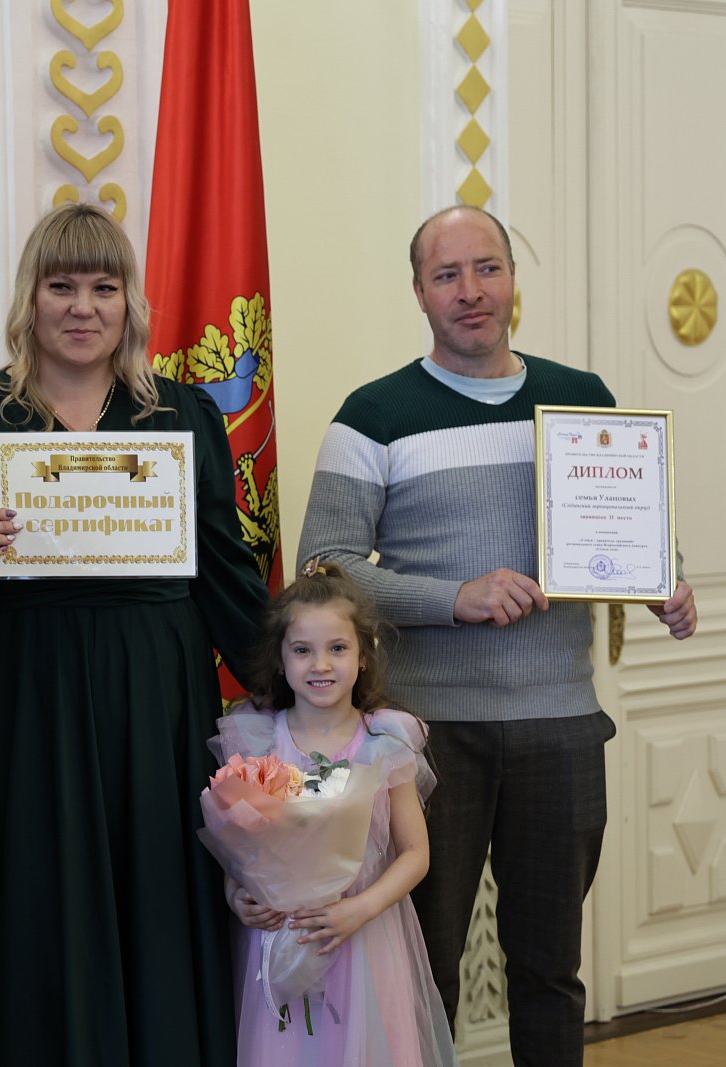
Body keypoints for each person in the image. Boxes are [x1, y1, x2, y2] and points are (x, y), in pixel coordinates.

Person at [297, 204, 698, 1067]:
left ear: (515, 279)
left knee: (551, 972)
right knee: (422, 968)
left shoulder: (582, 398)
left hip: (560, 724)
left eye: (487, 268)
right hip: (425, 735)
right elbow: (324, 570)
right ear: (418, 292)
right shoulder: (373, 414)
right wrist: (455, 597)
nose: (470, 291)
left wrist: (665, 578)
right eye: (447, 275)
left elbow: (631, 528)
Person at [0, 201, 268, 1066]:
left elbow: (226, 573)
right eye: (61, 285)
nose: (83, 307)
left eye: (104, 287)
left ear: (129, 302)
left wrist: (306, 692)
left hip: (158, 702)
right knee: (32, 905)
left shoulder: (184, 415)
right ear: (28, 299)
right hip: (24, 703)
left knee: (157, 901)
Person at [213, 561, 460, 1066]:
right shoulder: (256, 739)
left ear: (364, 656)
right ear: (280, 658)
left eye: (338, 648)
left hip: (363, 937)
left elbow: (415, 854)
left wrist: (358, 910)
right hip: (280, 939)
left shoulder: (384, 741)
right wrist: (237, 894)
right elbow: (239, 849)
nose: (320, 664)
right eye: (302, 650)